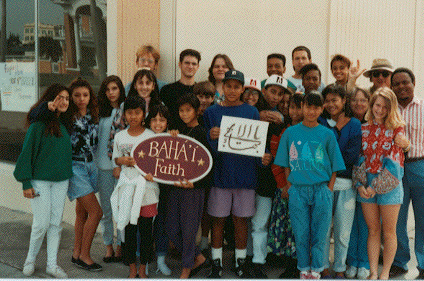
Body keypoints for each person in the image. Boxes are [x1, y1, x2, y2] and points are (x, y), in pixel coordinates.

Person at [203, 70, 272, 278]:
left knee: (241, 221)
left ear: (243, 89)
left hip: (245, 176)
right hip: (221, 176)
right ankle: (216, 263)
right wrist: (210, 135)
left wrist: (265, 155)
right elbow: (203, 146)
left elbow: (259, 142)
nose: (232, 90)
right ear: (222, 87)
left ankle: (240, 263)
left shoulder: (251, 112)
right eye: (228, 86)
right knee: (218, 220)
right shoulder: (211, 113)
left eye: (237, 86)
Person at [274, 91, 345, 279]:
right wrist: (290, 185)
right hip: (298, 190)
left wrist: (329, 189)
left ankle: (317, 269)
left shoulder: (327, 134)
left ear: (321, 109)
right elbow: (285, 162)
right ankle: (304, 269)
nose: (312, 111)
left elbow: (335, 166)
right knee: (301, 231)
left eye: (316, 107)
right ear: (302, 107)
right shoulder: (290, 132)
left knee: (320, 233)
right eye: (308, 106)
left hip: (321, 189)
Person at [14, 84, 72, 278]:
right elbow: (26, 154)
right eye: (59, 97)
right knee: (41, 223)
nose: (64, 101)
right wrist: (26, 183)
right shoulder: (38, 125)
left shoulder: (65, 125)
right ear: (50, 100)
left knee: (56, 224)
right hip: (40, 182)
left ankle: (52, 264)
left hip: (61, 182)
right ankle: (30, 259)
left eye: (66, 98)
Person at [353, 87, 406, 280]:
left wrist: (374, 187)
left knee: (389, 232)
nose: (380, 110)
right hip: (366, 184)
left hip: (389, 185)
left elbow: (395, 163)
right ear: (371, 105)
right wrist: (360, 184)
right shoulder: (363, 127)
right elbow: (359, 157)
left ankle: (384, 273)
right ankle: (373, 272)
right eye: (377, 105)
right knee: (373, 230)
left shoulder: (397, 130)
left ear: (391, 108)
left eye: (385, 106)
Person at [247, 75, 291, 278]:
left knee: (274, 220)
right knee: (259, 220)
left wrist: (282, 119)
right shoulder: (254, 111)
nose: (276, 96)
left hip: (280, 176)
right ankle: (256, 261)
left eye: (280, 93)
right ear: (264, 91)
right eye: (273, 91)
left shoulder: (285, 116)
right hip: (260, 175)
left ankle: (269, 255)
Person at [111, 95, 159, 278]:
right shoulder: (120, 136)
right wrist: (121, 160)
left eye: (137, 112)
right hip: (127, 189)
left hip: (148, 190)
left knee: (146, 232)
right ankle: (132, 268)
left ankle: (143, 268)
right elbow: (116, 160)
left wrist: (149, 172)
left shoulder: (151, 135)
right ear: (124, 115)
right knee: (129, 231)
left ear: (144, 114)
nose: (133, 116)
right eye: (129, 113)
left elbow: (158, 164)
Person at [166, 93, 212, 279]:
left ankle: (187, 268)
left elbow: (209, 164)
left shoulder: (202, 133)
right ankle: (198, 257)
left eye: (188, 110)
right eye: (181, 110)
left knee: (189, 229)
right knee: (171, 227)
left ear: (196, 111)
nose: (184, 114)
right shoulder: (179, 132)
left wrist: (196, 183)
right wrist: (171, 137)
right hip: (176, 186)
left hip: (194, 188)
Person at [319, 84, 362, 279]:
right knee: (323, 229)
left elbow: (351, 156)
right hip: (322, 184)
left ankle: (340, 268)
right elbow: (318, 154)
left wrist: (331, 162)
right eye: (327, 100)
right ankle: (322, 267)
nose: (330, 104)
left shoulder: (354, 124)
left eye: (334, 100)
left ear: (344, 101)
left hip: (346, 185)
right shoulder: (319, 121)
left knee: (343, 231)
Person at [390, 68, 424, 279]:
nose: (401, 86)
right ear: (392, 87)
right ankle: (400, 261)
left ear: (413, 82)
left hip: (420, 166)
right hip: (396, 169)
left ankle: (423, 263)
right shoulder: (389, 109)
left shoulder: (423, 108)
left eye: (405, 82)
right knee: (397, 219)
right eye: (397, 83)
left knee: (422, 219)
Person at [66, 78, 103, 271]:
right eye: (77, 95)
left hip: (91, 166)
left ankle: (76, 253)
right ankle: (85, 256)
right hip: (75, 167)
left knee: (82, 212)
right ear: (71, 97)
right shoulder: (65, 116)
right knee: (96, 212)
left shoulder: (93, 114)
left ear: (90, 96)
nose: (81, 99)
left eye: (85, 95)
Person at [267, 93, 303, 279]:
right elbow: (277, 161)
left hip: (306, 189)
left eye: (299, 106)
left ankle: (301, 264)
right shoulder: (283, 131)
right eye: (292, 107)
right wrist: (283, 185)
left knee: (302, 227)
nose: (295, 111)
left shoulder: (313, 130)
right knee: (288, 229)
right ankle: (290, 265)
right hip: (286, 189)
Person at [97, 75, 126, 263]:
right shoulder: (101, 113)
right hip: (103, 167)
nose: (111, 93)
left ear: (120, 90)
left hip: (122, 167)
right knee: (107, 209)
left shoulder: (127, 111)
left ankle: (121, 246)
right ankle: (108, 245)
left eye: (114, 88)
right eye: (107, 90)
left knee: (122, 209)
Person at [143, 104, 173, 276]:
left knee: (161, 223)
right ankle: (145, 261)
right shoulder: (143, 138)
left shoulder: (172, 138)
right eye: (154, 119)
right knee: (145, 226)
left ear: (167, 122)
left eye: (162, 120)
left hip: (166, 189)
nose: (157, 123)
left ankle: (161, 259)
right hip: (147, 188)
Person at [345, 86, 371, 279]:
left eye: (363, 100)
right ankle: (351, 260)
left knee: (367, 222)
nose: (358, 104)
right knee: (350, 222)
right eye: (354, 100)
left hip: (369, 179)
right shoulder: (346, 122)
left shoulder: (374, 123)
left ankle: (364, 261)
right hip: (349, 177)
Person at [160, 49, 201, 128]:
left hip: (195, 137)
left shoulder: (201, 91)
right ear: (180, 64)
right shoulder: (167, 90)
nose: (190, 66)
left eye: (194, 64)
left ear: (198, 66)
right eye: (187, 63)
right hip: (172, 137)